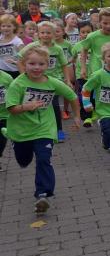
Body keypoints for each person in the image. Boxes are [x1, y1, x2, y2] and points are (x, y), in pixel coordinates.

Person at [6, 45, 80, 214]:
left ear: (48, 65)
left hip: (44, 129)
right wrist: (26, 106)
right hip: (21, 131)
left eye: (41, 64)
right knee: (23, 160)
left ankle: (43, 194)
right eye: (32, 64)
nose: (37, 68)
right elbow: (11, 108)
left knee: (44, 158)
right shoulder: (17, 84)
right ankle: (15, 143)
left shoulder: (52, 82)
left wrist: (77, 116)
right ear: (24, 64)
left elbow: (72, 96)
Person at [18, 21, 71, 143]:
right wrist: (23, 75)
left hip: (52, 81)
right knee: (35, 106)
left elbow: (64, 65)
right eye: (42, 32)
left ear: (53, 34)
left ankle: (58, 130)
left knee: (55, 105)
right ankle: (35, 129)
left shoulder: (57, 49)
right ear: (38, 33)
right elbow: (20, 59)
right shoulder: (33, 46)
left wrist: (67, 80)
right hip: (34, 81)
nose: (45, 35)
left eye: (48, 33)